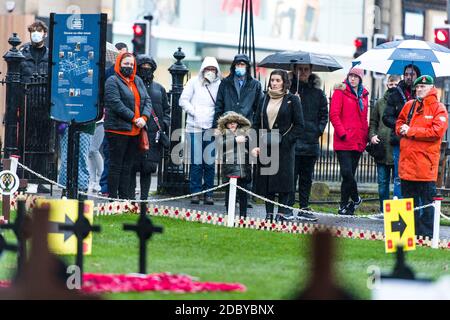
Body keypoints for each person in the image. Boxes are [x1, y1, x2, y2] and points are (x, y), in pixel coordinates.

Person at [396, 75, 448, 238]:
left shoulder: (439, 108)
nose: (418, 90)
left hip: (425, 167)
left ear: (431, 88)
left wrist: (409, 131)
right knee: (407, 203)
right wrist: (401, 129)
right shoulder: (409, 105)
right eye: (417, 87)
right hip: (407, 165)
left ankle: (426, 236)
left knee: (427, 205)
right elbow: (399, 123)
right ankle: (407, 235)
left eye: (422, 87)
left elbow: (436, 132)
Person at [252, 69, 304, 222]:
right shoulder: (264, 99)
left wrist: (286, 141)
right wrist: (255, 144)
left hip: (284, 148)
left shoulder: (292, 100)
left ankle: (281, 213)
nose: (274, 83)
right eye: (272, 80)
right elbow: (256, 123)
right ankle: (268, 213)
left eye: (277, 80)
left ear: (284, 83)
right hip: (266, 146)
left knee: (283, 182)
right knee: (267, 181)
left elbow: (299, 125)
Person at [213, 54, 263, 208]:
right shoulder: (225, 83)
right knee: (229, 163)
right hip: (228, 127)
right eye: (238, 64)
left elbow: (259, 107)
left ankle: (244, 199)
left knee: (245, 164)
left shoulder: (255, 84)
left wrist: (254, 129)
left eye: (243, 64)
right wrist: (217, 127)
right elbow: (219, 106)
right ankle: (229, 201)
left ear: (247, 67)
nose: (240, 67)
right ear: (234, 65)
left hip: (246, 128)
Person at [104, 52, 152, 199]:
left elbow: (147, 100)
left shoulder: (137, 80)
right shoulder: (112, 80)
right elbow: (115, 103)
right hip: (117, 130)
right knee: (116, 166)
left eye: (132, 64)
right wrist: (134, 118)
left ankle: (124, 199)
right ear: (119, 64)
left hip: (135, 130)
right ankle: (113, 198)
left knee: (128, 167)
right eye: (126, 64)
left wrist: (144, 117)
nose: (129, 67)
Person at [287, 64, 328, 221]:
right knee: (291, 177)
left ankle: (304, 207)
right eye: (300, 69)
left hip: (310, 142)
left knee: (306, 178)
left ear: (310, 71)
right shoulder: (290, 91)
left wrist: (317, 131)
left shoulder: (318, 93)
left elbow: (324, 114)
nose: (303, 72)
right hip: (294, 141)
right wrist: (293, 100)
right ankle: (288, 207)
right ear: (295, 70)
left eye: (306, 69)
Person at [179, 57, 222, 205]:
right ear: (203, 69)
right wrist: (194, 112)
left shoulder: (219, 85)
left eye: (213, 69)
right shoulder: (193, 83)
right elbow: (183, 100)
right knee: (196, 162)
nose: (210, 72)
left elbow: (221, 104)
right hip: (194, 127)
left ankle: (208, 193)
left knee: (209, 163)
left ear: (216, 71)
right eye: (208, 69)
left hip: (212, 127)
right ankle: (195, 192)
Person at [129, 55, 170, 200]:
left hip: (153, 133)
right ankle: (130, 199)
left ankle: (144, 199)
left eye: (149, 67)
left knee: (148, 168)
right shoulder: (131, 85)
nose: (146, 69)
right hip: (135, 130)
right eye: (143, 67)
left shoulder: (159, 89)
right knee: (132, 167)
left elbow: (166, 110)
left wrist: (164, 124)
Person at [19, 20, 53, 193]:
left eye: (39, 31)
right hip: (27, 104)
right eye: (33, 30)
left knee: (43, 144)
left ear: (45, 34)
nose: (36, 33)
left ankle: (39, 179)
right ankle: (24, 178)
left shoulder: (50, 55)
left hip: (44, 106)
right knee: (26, 143)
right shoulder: (22, 53)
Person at [329, 67, 369, 215]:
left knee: (349, 175)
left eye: (356, 76)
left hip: (358, 141)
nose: (352, 79)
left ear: (360, 79)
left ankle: (343, 206)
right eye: (350, 76)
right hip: (344, 140)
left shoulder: (363, 95)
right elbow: (334, 115)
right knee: (346, 173)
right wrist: (343, 133)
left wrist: (365, 138)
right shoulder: (340, 91)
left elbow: (364, 119)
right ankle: (357, 199)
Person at [383, 65, 421, 198]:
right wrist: (401, 126)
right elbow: (386, 117)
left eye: (412, 74)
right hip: (399, 141)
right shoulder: (395, 94)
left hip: (417, 142)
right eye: (406, 74)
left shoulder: (421, 94)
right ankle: (399, 210)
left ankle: (415, 210)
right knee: (399, 176)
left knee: (416, 177)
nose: (409, 77)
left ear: (417, 76)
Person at [99, 43, 129, 196]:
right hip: (111, 121)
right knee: (108, 154)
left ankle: (118, 190)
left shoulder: (131, 77)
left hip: (125, 124)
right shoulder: (110, 73)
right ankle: (105, 187)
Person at [369, 75, 401, 215]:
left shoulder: (404, 102)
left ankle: (395, 214)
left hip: (397, 148)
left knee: (398, 184)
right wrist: (372, 136)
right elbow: (373, 123)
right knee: (382, 184)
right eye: (391, 84)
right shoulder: (380, 103)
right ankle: (383, 211)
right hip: (381, 148)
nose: (393, 86)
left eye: (396, 84)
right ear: (387, 85)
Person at [217, 112, 252, 218]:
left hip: (244, 168)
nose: (232, 124)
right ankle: (229, 214)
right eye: (230, 123)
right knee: (230, 194)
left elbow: (250, 147)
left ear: (238, 123)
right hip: (230, 168)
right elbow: (220, 145)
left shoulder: (244, 134)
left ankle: (243, 216)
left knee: (243, 194)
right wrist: (235, 140)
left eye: (234, 122)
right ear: (226, 124)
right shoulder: (223, 135)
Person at [58, 123, 95, 194]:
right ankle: (66, 188)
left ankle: (81, 189)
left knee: (81, 159)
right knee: (66, 158)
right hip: (68, 124)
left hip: (85, 126)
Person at [87, 117, 104, 193]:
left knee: (93, 150)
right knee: (90, 152)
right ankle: (93, 180)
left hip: (100, 122)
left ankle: (100, 177)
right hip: (90, 121)